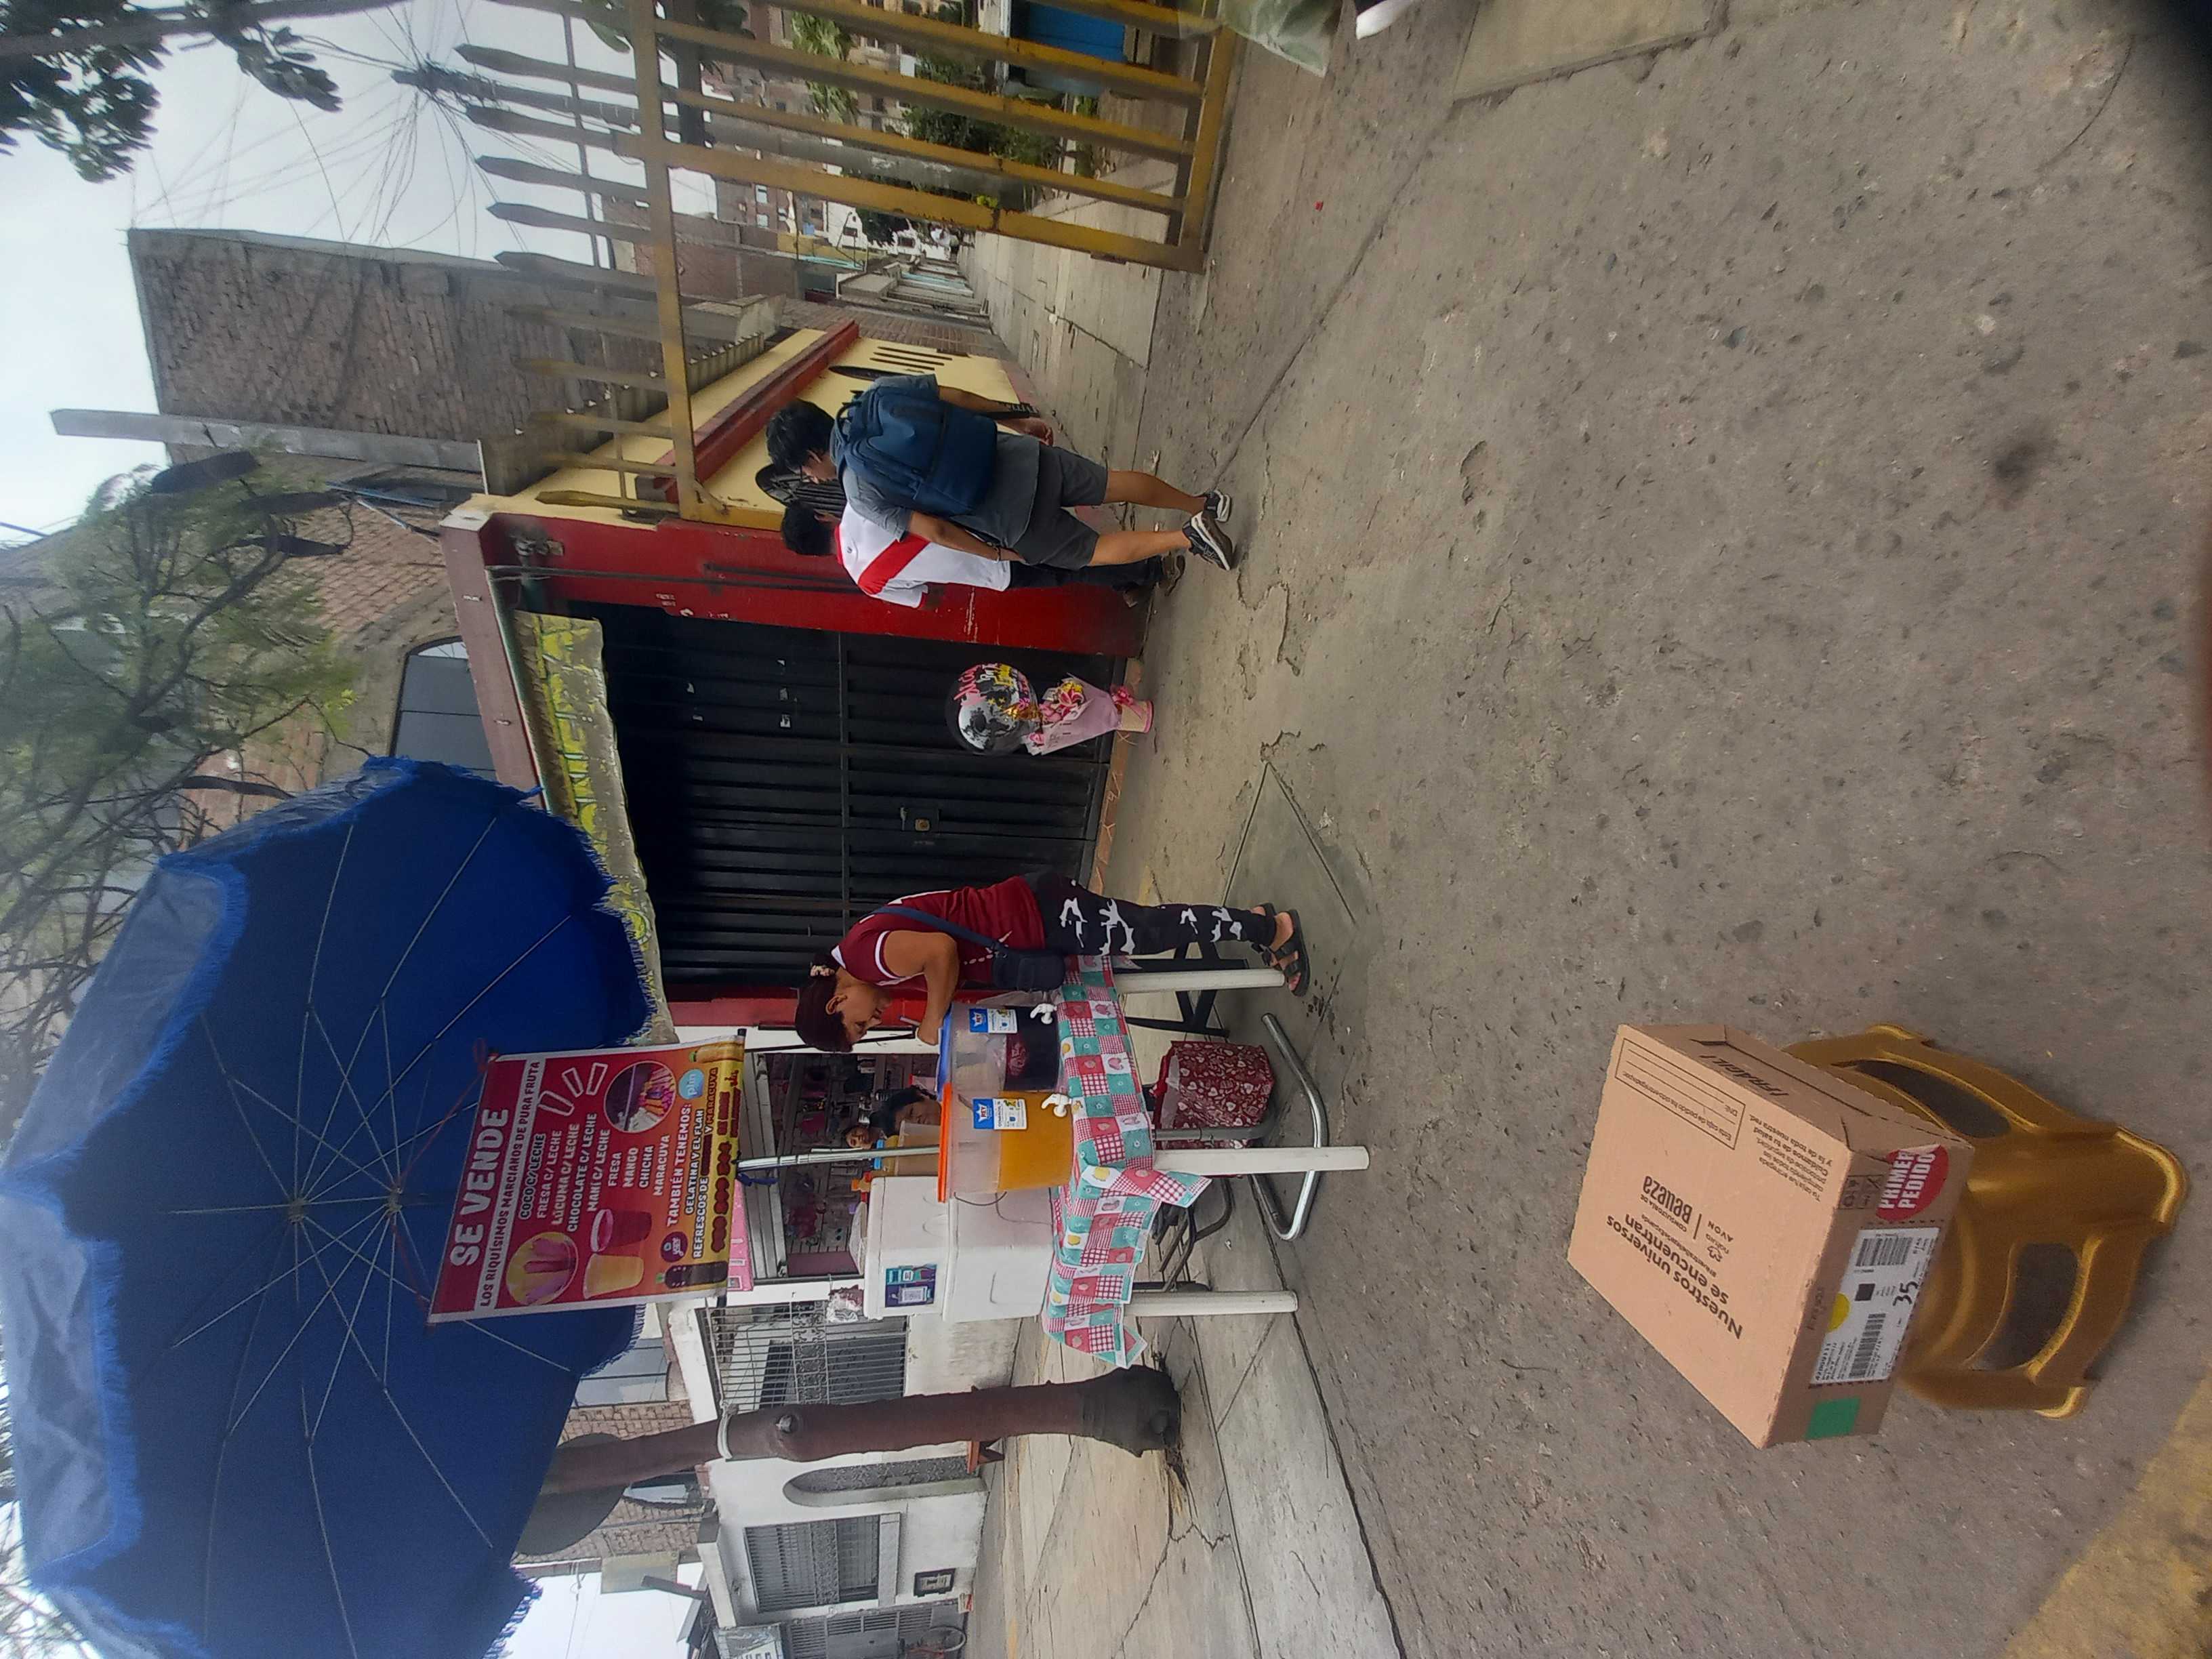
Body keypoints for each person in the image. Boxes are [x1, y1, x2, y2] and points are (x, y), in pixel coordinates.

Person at [764, 380, 1239, 581]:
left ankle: (1188, 538)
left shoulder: (858, 491)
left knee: (1093, 551)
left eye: (804, 470)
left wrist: (995, 554)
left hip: (1005, 519)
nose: (812, 478)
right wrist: (1019, 420)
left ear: (811, 455)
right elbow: (959, 397)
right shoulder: (876, 393)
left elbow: (936, 530)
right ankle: (1202, 503)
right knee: (1109, 483)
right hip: (1017, 457)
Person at [791, 876, 1309, 1052]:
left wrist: (932, 1021)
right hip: (1032, 917)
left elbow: (940, 952)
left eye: (859, 1023)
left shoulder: (866, 957)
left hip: (1036, 916)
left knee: (1150, 931)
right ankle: (1251, 921)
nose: (873, 1019)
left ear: (837, 1002)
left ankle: (1272, 930)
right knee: (1145, 932)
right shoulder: (861, 951)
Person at [779, 491, 1179, 610]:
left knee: (1067, 572)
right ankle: (1147, 571)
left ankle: (1129, 582)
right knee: (1073, 552)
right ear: (820, 516)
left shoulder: (866, 582)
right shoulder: (862, 502)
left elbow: (926, 600)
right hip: (987, 528)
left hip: (992, 574)